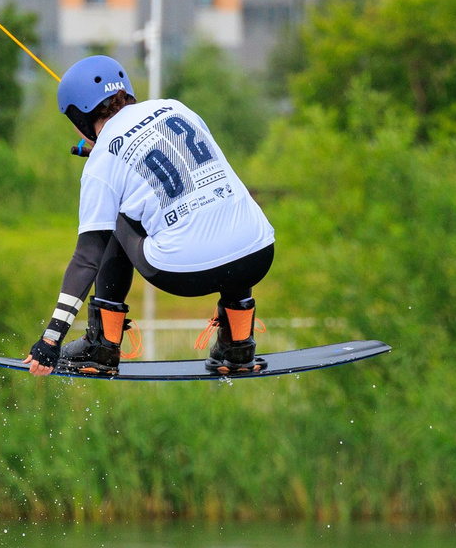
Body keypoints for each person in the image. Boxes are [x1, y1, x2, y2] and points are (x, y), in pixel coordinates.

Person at [29, 55, 276, 377]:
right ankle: (238, 346)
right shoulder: (176, 108)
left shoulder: (102, 161)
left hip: (185, 273)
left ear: (78, 118)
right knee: (220, 213)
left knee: (114, 213)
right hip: (257, 254)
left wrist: (51, 339)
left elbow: (88, 257)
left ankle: (102, 347)